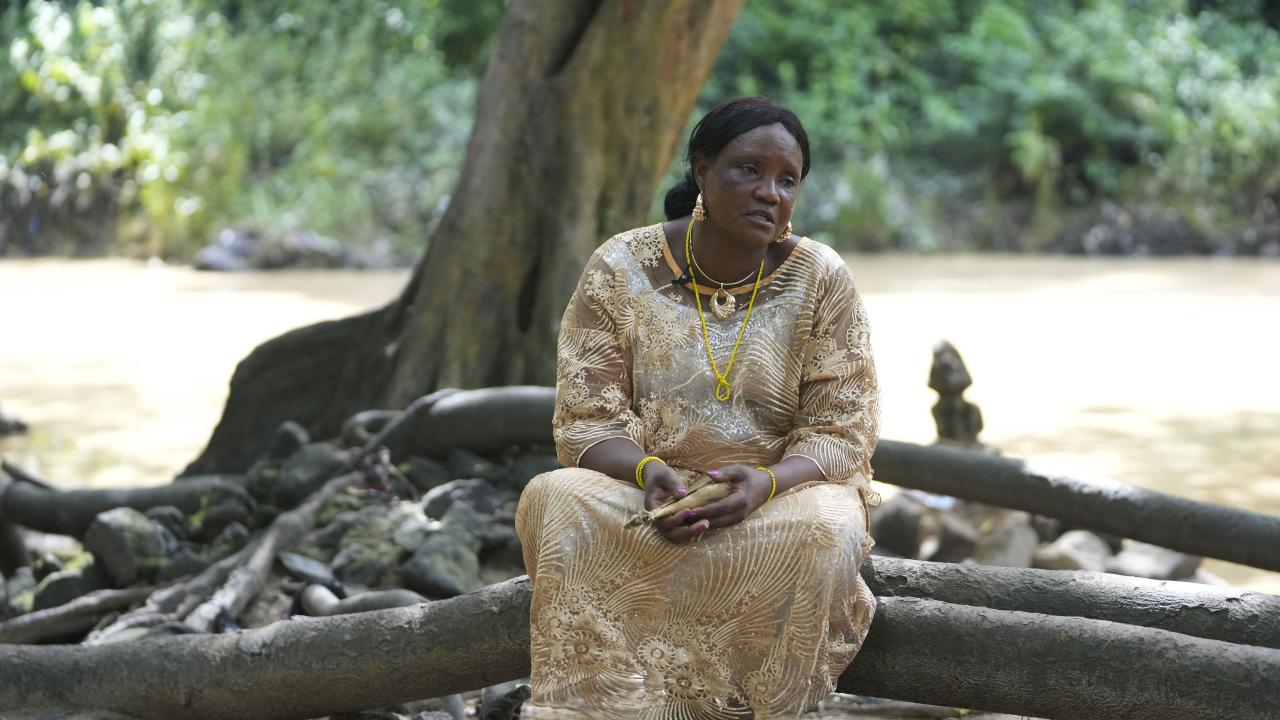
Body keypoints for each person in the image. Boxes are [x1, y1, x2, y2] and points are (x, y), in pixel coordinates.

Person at [514, 96, 880, 719]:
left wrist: (765, 484)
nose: (769, 192)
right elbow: (585, 417)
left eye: (787, 180)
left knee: (831, 524)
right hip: (647, 499)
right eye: (749, 170)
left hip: (778, 501)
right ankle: (599, 707)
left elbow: (842, 429)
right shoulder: (621, 267)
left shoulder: (821, 277)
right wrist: (649, 473)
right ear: (703, 170)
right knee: (556, 496)